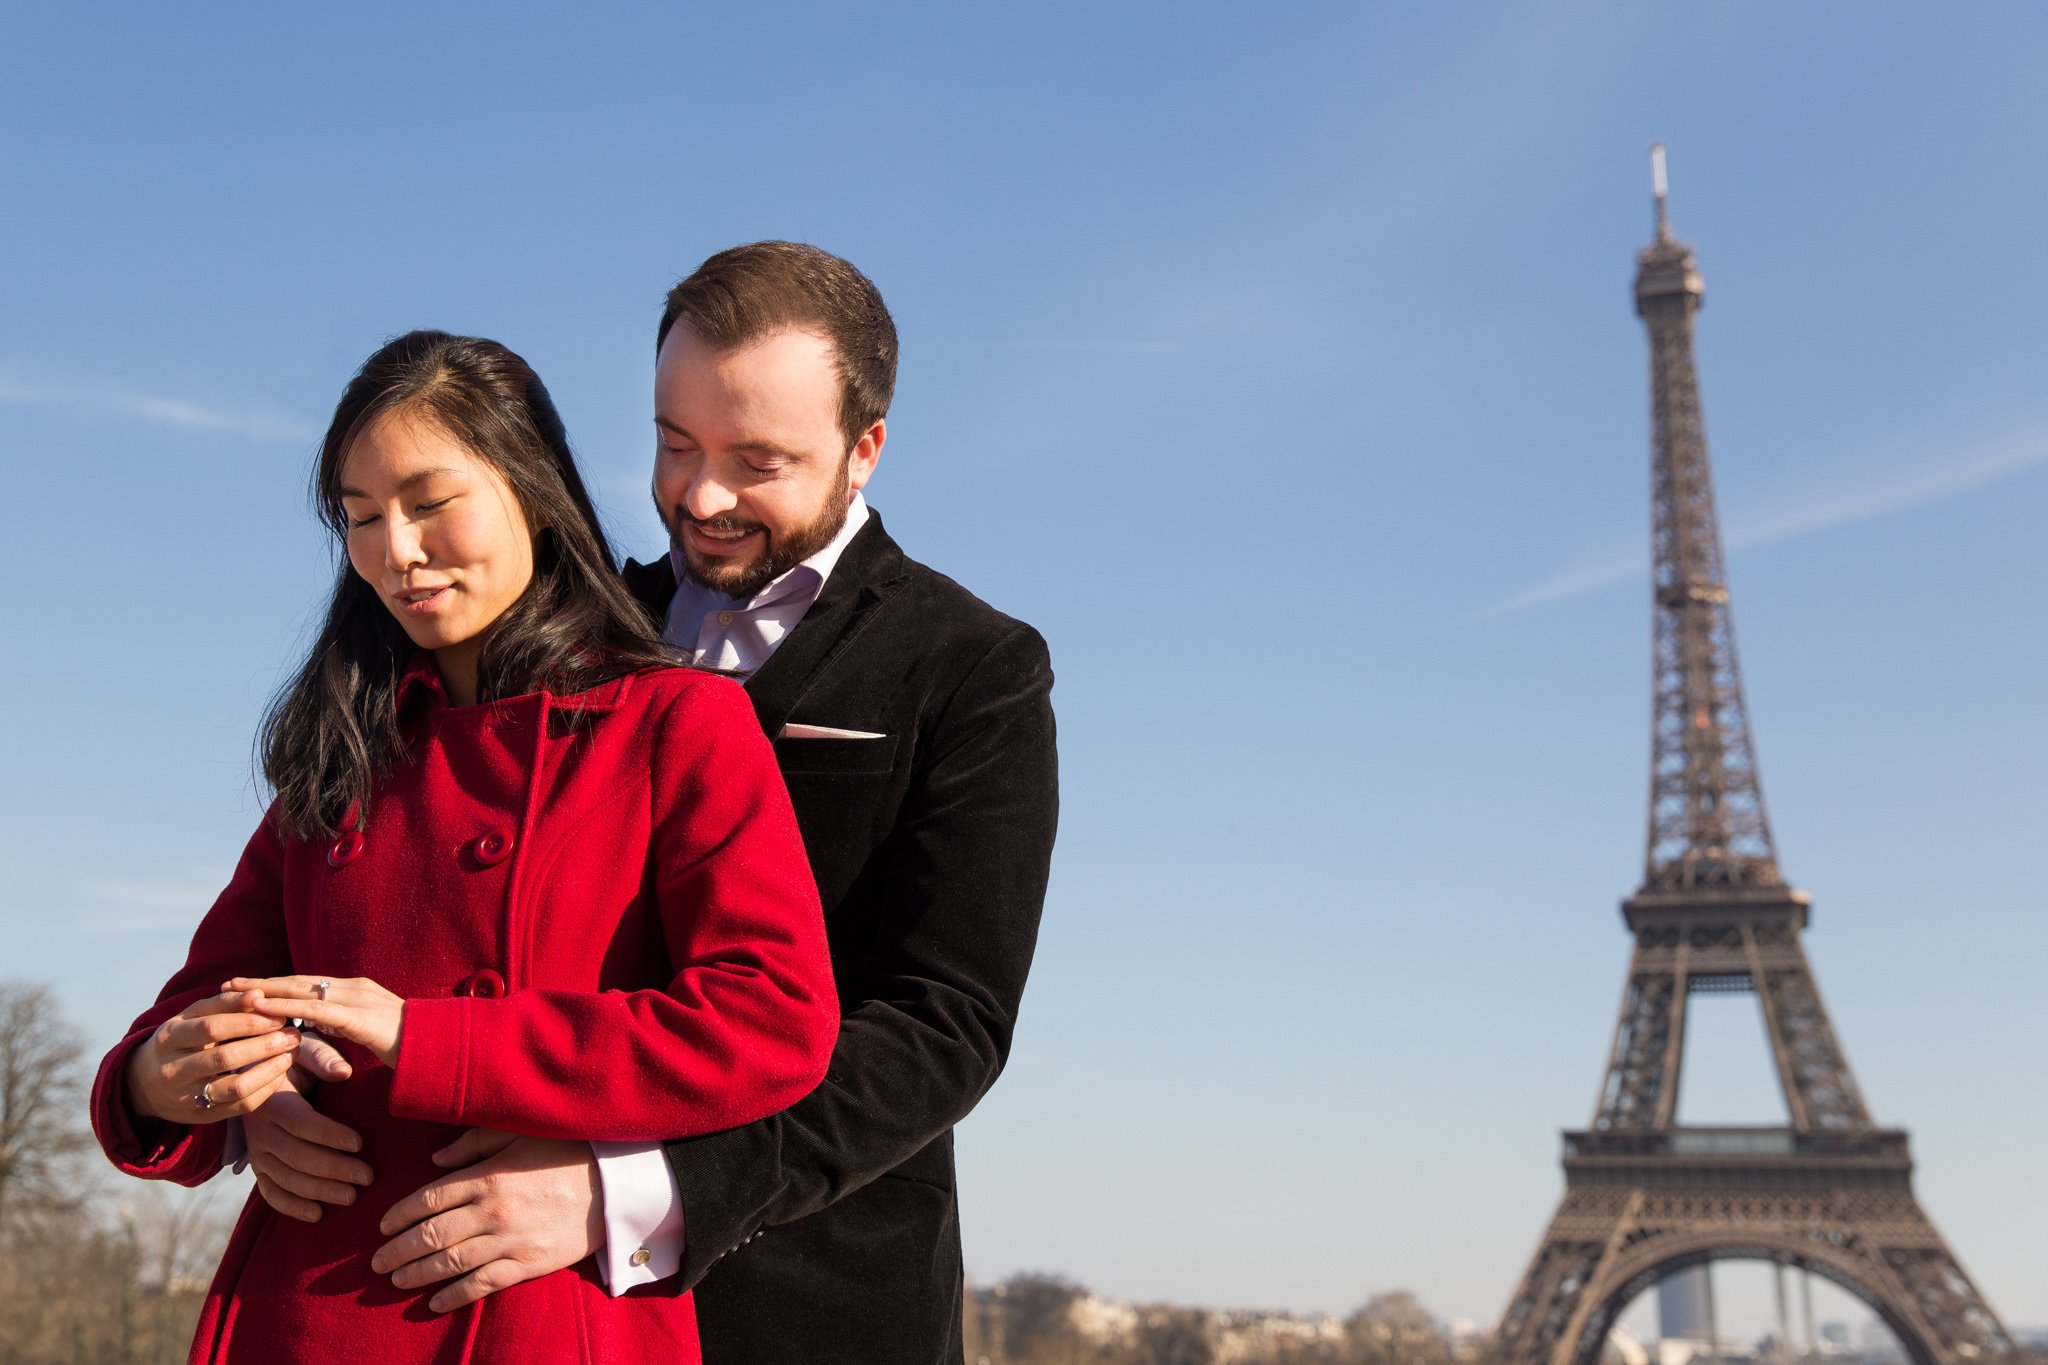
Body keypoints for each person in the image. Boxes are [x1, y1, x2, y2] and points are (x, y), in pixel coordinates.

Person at [244, 243, 1062, 1364]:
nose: (702, 494)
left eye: (756, 460)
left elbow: (941, 1022)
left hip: (810, 1289)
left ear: (864, 450)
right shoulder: (548, 625)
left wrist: (628, 1190)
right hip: (510, 1292)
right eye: (675, 445)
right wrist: (267, 1081)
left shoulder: (971, 666)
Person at [90, 330, 839, 1364]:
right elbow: (193, 1013)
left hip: (538, 1310)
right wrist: (185, 1085)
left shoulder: (672, 724)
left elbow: (771, 1018)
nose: (393, 550)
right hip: (306, 1306)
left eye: (430, 503)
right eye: (358, 518)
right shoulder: (344, 751)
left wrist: (432, 1042)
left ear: (531, 490)